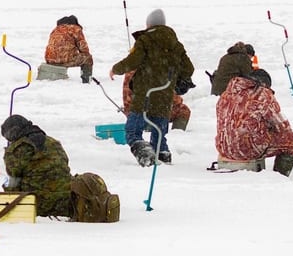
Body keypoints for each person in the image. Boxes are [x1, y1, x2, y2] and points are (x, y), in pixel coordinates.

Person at [109, 9, 195, 166]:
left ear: (149, 24)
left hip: (144, 94)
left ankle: (146, 156)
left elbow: (132, 62)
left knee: (133, 132)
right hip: (165, 95)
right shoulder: (176, 45)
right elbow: (189, 69)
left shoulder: (145, 40)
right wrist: (173, 77)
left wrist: (116, 69)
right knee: (159, 132)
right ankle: (162, 155)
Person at [215, 69, 293, 176]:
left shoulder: (225, 94)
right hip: (247, 149)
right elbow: (283, 127)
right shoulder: (262, 94)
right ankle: (279, 177)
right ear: (264, 84)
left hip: (224, 148)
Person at [0, 114, 72, 218]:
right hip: (65, 202)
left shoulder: (18, 148)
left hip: (36, 204)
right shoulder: (53, 142)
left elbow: (13, 181)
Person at [122, 73, 191, 131]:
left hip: (133, 112)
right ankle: (176, 137)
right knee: (183, 110)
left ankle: (151, 129)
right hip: (147, 111)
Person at [43, 14, 94, 83]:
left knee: (63, 53)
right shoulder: (75, 29)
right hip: (64, 60)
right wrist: (84, 54)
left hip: (50, 60)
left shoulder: (55, 30)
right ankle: (87, 80)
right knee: (88, 58)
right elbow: (83, 47)